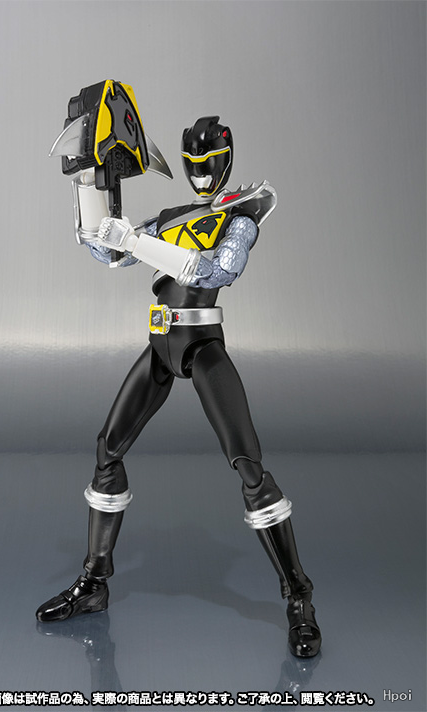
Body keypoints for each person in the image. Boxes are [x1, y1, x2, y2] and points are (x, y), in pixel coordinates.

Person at [36, 115, 321, 659]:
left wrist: (136, 241)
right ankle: (94, 582)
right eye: (193, 165)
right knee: (107, 449)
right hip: (160, 346)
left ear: (225, 161)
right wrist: (89, 185)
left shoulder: (241, 216)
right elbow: (107, 250)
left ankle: (299, 597)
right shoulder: (171, 218)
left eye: (208, 164)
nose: (200, 174)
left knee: (248, 465)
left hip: (201, 345)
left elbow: (213, 272)